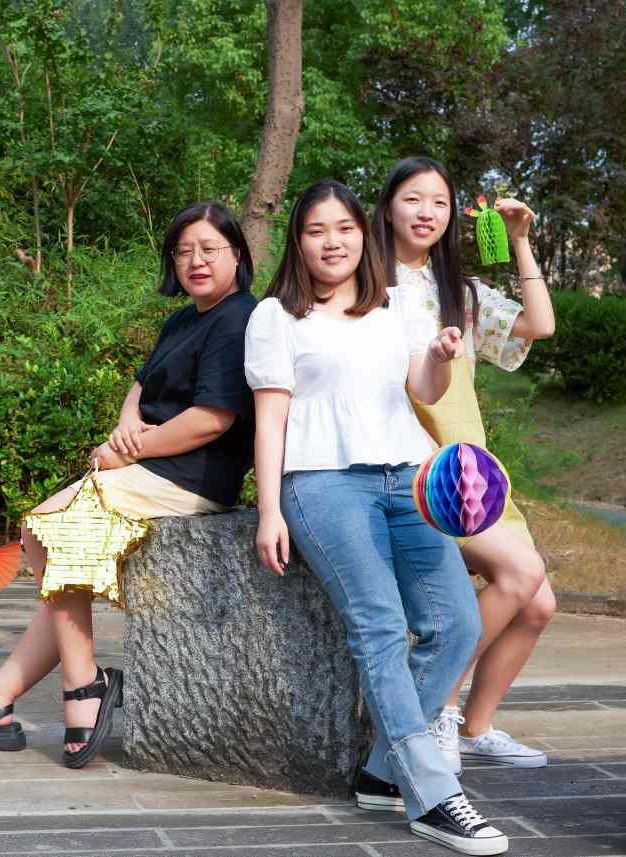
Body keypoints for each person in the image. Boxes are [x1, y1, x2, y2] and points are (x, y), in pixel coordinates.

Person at [0, 201, 256, 769]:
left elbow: (213, 418)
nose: (195, 261)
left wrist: (130, 449)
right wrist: (127, 428)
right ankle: (0, 701)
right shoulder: (183, 319)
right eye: (183, 251)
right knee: (51, 543)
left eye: (209, 249)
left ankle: (82, 686)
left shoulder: (239, 318)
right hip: (148, 464)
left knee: (48, 529)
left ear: (237, 256)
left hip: (194, 475)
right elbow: (139, 386)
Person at [245, 180, 507, 855]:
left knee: (458, 623)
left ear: (363, 234)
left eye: (343, 228)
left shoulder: (392, 307)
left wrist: (443, 358)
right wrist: (270, 508)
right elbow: (271, 419)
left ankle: (383, 769)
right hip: (324, 481)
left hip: (409, 477)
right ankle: (432, 793)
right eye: (315, 230)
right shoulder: (277, 317)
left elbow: (420, 389)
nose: (332, 241)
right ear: (298, 243)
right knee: (382, 627)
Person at [374, 156, 556, 771]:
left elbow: (540, 324)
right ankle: (437, 709)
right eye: (413, 199)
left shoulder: (462, 293)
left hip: (471, 468)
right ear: (388, 206)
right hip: (421, 468)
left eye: (440, 203)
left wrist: (521, 242)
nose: (426, 213)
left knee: (538, 605)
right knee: (517, 575)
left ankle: (475, 727)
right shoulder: (371, 285)